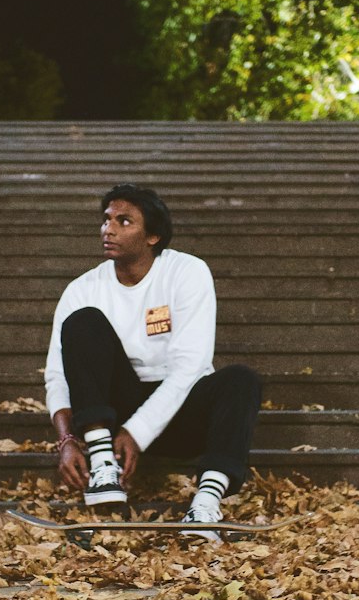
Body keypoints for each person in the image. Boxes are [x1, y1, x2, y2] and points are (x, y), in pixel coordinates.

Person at [44, 183, 262, 538]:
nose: (108, 229)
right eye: (106, 219)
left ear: (153, 236)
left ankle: (206, 504)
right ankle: (103, 468)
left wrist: (137, 432)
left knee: (241, 380)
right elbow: (57, 376)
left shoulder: (187, 272)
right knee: (84, 321)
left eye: (124, 221)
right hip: (113, 416)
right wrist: (68, 439)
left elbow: (190, 365)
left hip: (179, 414)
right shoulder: (82, 289)